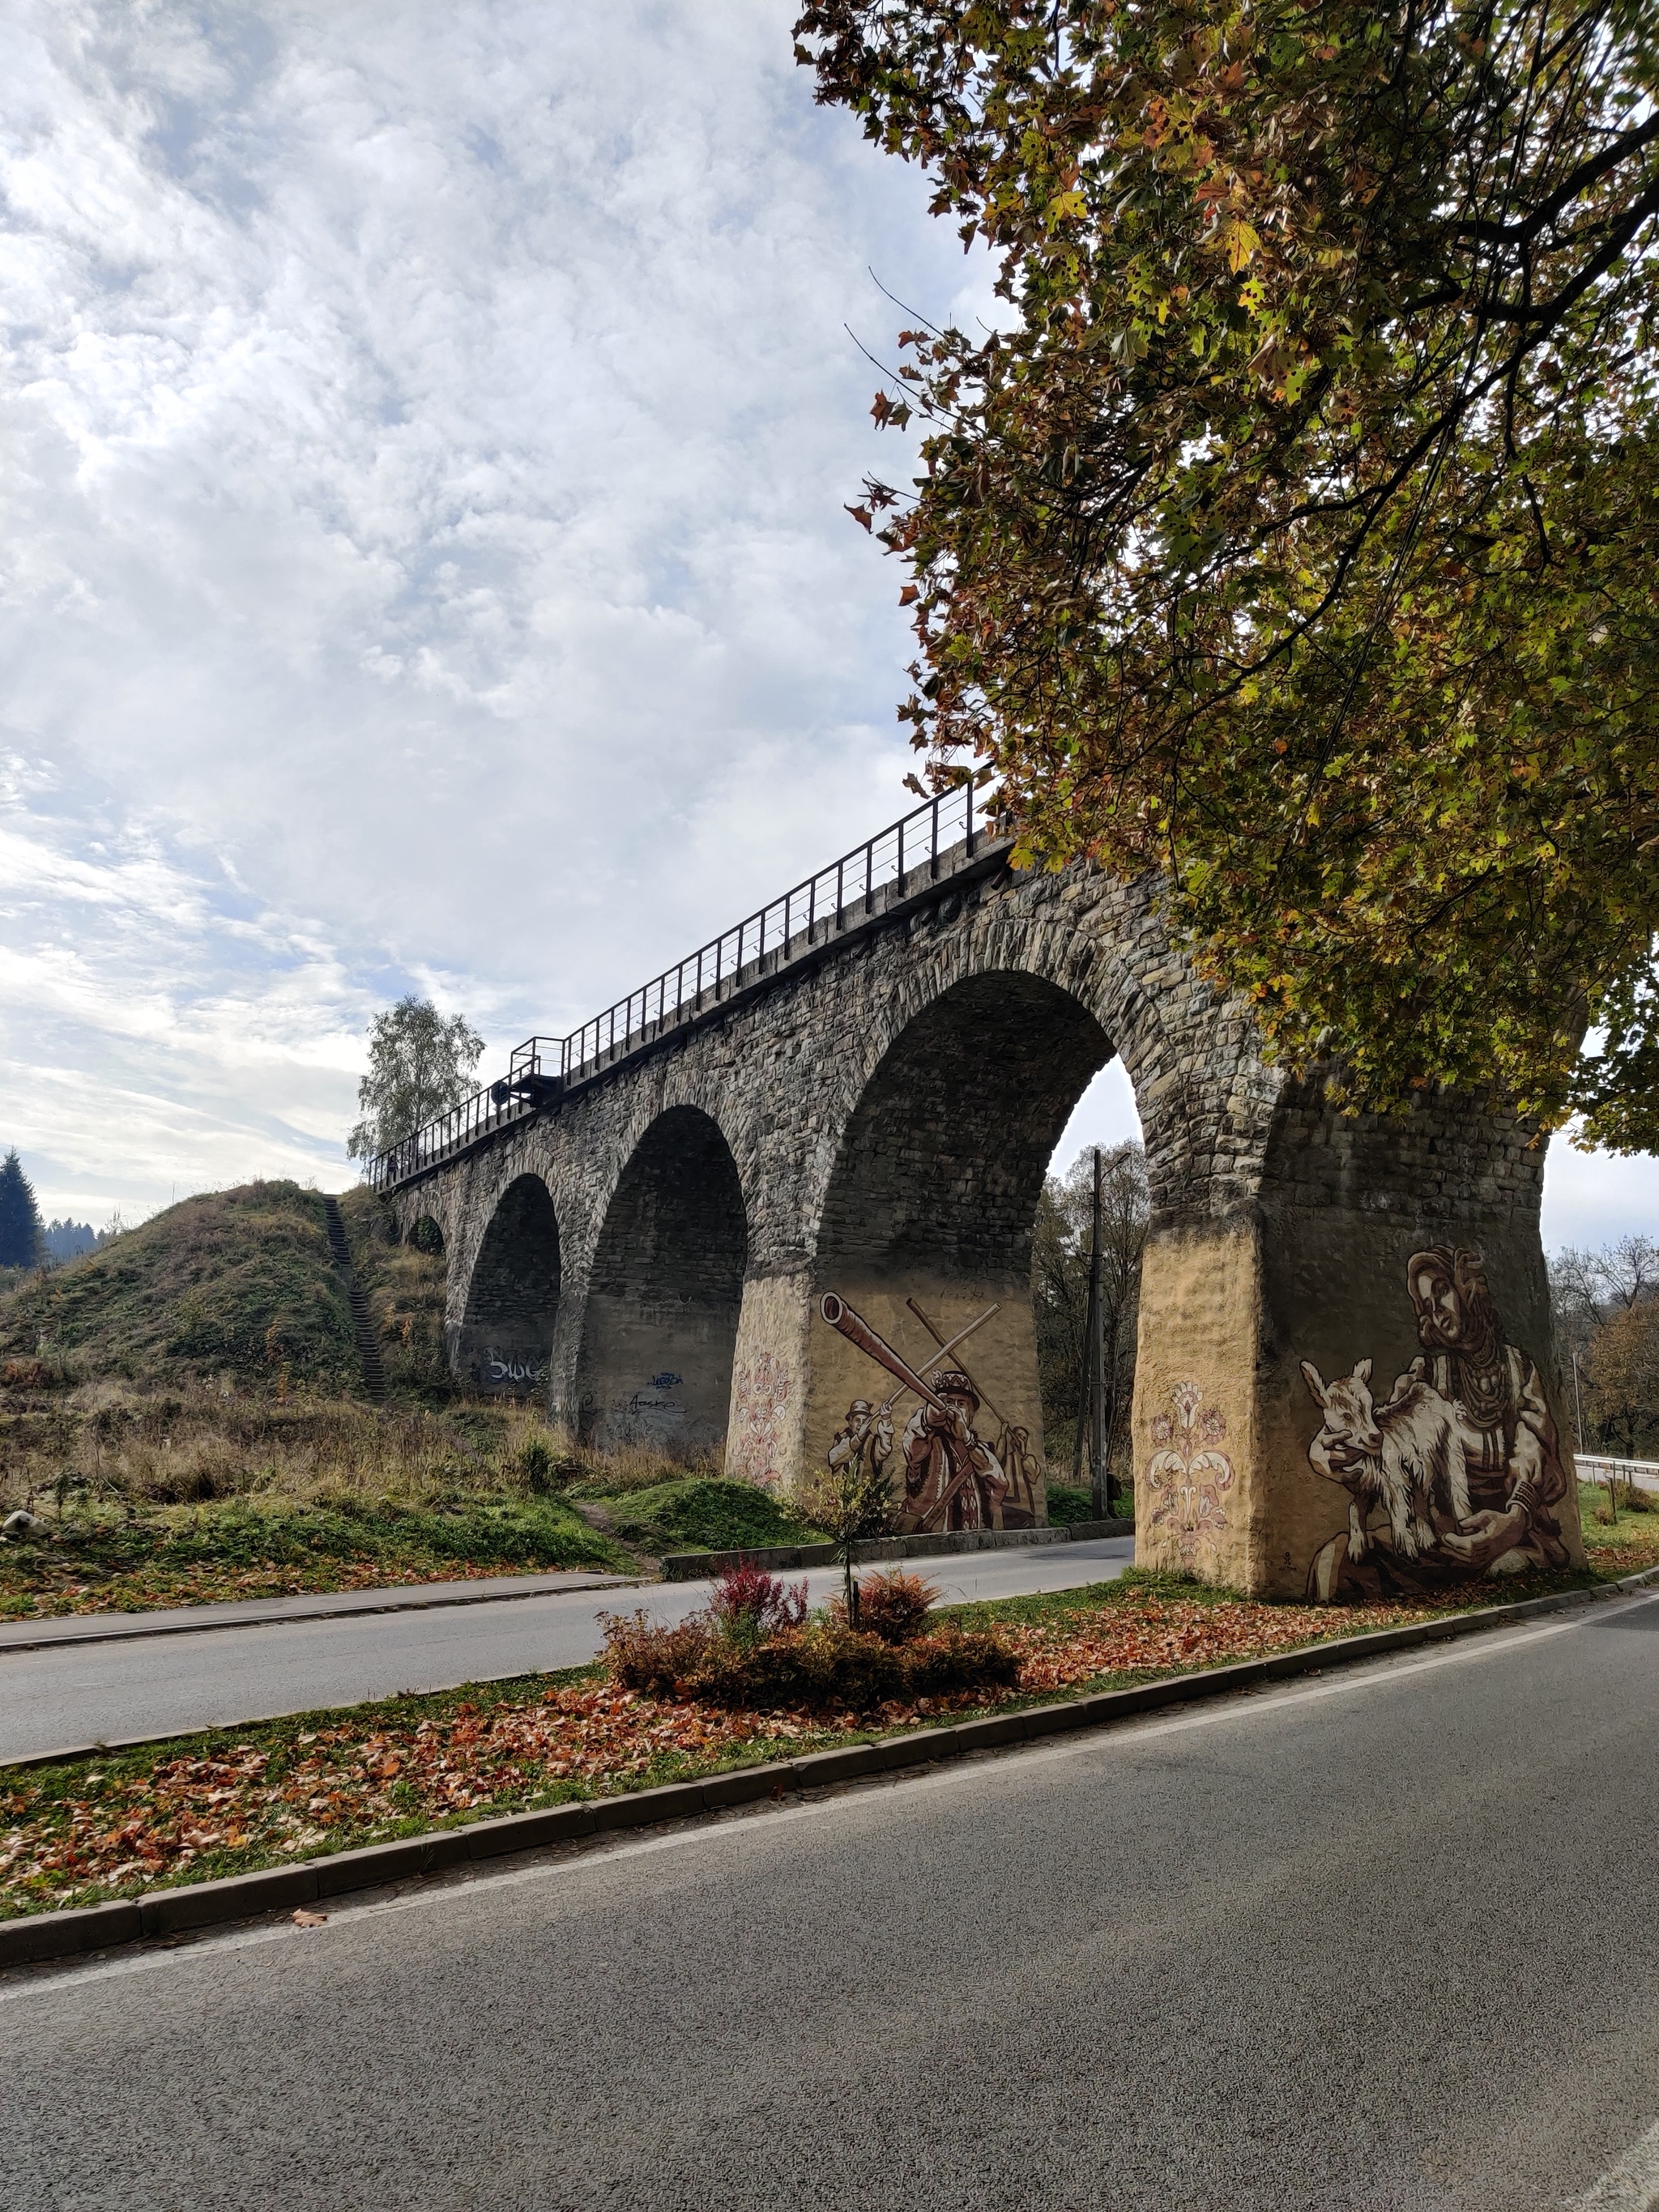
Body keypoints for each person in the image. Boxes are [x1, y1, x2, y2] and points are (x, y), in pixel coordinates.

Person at [898, 1370, 1009, 1532]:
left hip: (976, 1543)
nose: (954, 1410)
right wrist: (930, 1415)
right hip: (932, 1543)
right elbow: (913, 1439)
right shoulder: (928, 1442)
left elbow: (1000, 1484)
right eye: (949, 1402)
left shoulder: (980, 1450)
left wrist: (967, 1438)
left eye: (961, 1404)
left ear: (971, 1412)